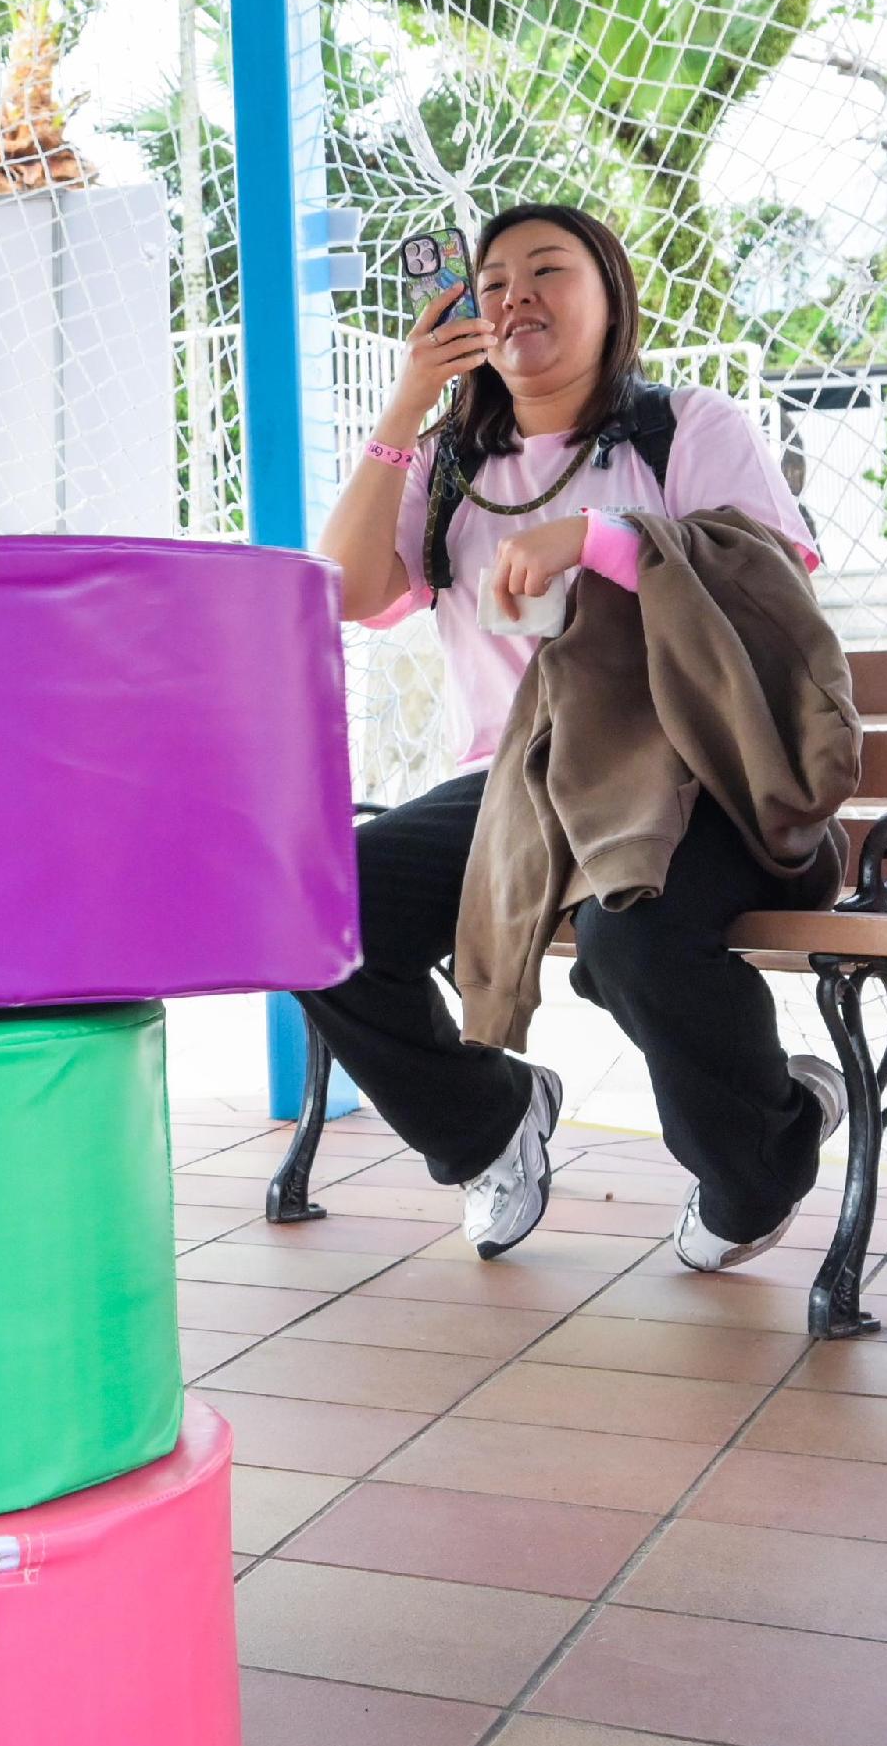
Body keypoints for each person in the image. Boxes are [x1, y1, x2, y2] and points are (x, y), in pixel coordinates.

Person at [304, 203, 846, 1267]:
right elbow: (345, 589)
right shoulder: (451, 463)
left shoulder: (687, 426)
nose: (515, 297)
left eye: (548, 270)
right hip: (516, 787)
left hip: (690, 772)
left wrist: (595, 540)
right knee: (323, 907)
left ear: (611, 297)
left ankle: (759, 1156)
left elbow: (761, 587)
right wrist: (409, 406)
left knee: (630, 935)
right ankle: (489, 1120)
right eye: (494, 280)